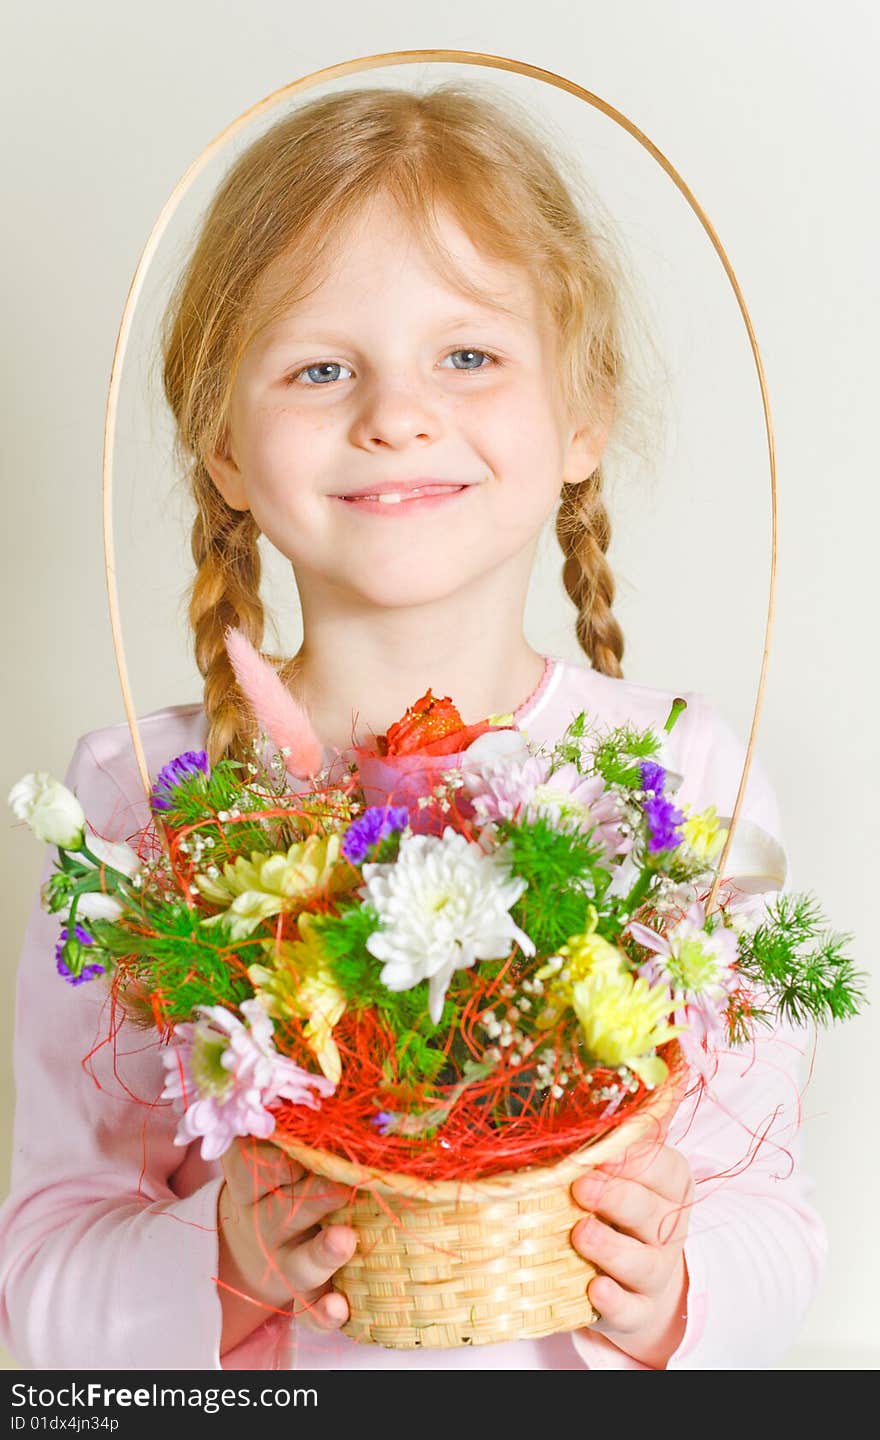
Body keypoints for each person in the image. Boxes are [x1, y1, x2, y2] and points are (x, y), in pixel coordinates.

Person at [0, 82, 826, 1371]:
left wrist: (674, 1293)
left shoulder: (687, 781)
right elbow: (45, 1291)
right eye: (321, 368)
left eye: (470, 355)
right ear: (222, 446)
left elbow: (771, 1229)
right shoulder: (140, 802)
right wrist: (222, 1255)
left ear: (583, 411)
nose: (395, 414)